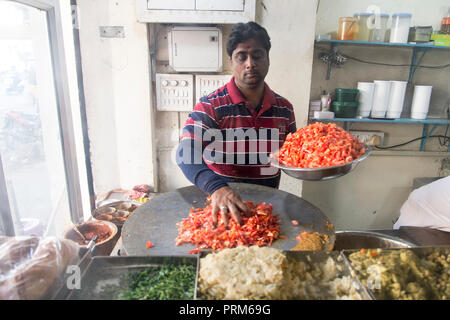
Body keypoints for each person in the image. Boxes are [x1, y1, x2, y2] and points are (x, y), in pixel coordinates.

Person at [177, 22, 296, 227]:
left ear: (268, 59)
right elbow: (185, 152)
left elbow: (294, 155)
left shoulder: (284, 109)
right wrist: (217, 188)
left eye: (257, 55)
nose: (250, 64)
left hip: (266, 212)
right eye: (242, 57)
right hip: (222, 211)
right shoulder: (211, 105)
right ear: (231, 61)